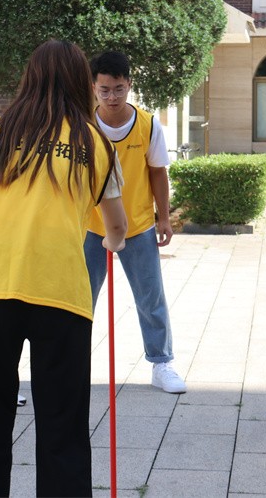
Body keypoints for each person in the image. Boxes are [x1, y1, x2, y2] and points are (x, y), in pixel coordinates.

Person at [0, 40, 128, 497]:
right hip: (61, 294)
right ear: (80, 82)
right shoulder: (95, 142)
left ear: (31, 77)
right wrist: (113, 241)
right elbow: (117, 224)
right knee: (63, 428)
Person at [84, 50, 186, 394]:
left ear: (129, 84)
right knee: (80, 297)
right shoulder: (83, 124)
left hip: (138, 224)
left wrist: (163, 217)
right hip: (91, 224)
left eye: (118, 89)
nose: (112, 97)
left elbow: (158, 173)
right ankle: (71, 362)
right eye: (104, 90)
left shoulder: (148, 124)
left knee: (150, 296)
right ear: (93, 88)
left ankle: (162, 363)